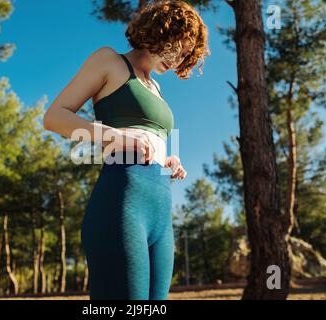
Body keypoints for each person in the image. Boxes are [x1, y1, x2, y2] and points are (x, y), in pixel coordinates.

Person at [43, 0, 209, 299]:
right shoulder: (109, 61)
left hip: (160, 209)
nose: (178, 59)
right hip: (122, 202)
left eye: (185, 56)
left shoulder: (157, 88)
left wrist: (166, 159)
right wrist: (116, 137)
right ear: (163, 29)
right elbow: (54, 117)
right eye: (177, 47)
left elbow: (146, 137)